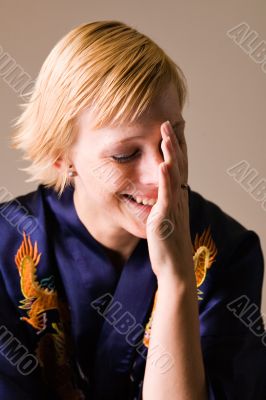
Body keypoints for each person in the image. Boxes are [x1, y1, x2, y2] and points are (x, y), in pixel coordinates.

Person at [0, 20, 265, 400]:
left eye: (171, 139)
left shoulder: (227, 249)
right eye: (125, 154)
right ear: (61, 157)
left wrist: (176, 283)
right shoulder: (6, 244)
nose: (160, 176)